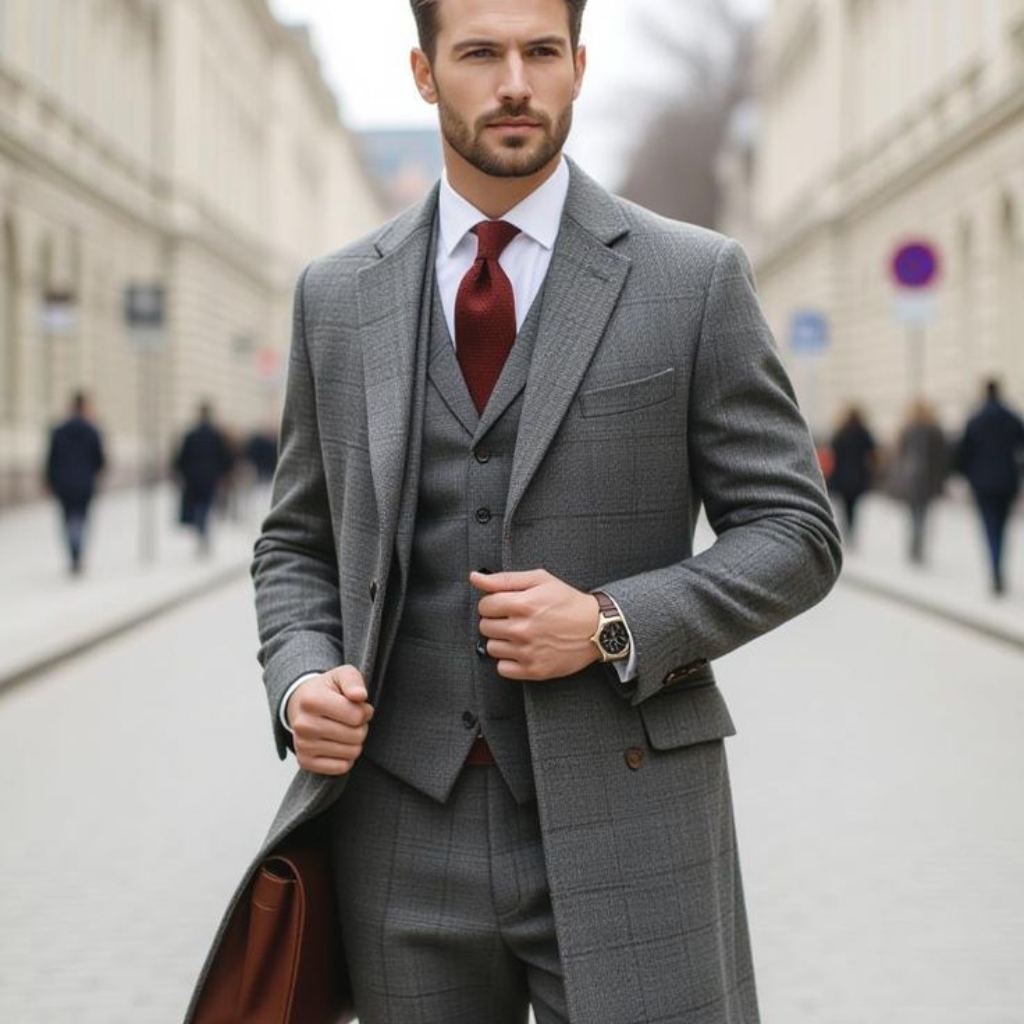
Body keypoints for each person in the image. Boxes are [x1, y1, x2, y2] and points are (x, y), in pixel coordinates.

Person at [189, 1, 842, 1021]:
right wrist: (300, 674)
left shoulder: (690, 277)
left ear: (578, 66)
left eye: (541, 52)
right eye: (480, 53)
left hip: (626, 811)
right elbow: (295, 540)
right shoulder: (337, 296)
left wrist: (611, 621)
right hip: (400, 830)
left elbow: (797, 533)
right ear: (422, 71)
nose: (513, 83)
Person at [955, 379, 1024, 594]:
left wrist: (968, 476)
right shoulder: (1011, 417)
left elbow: (962, 453)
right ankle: (999, 566)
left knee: (989, 528)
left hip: (982, 484)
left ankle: (995, 569)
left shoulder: (975, 419)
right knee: (1002, 528)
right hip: (1007, 482)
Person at [44, 391, 105, 575]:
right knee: (81, 519)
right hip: (85, 483)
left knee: (67, 519)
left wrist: (49, 480)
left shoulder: (58, 430)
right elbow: (100, 460)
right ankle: (77, 553)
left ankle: (73, 553)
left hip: (63, 483)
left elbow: (51, 459)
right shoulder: (92, 430)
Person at [890, 398, 949, 564]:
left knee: (913, 516)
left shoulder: (907, 430)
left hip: (912, 481)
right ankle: (918, 547)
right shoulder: (935, 431)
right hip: (929, 482)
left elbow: (899, 457)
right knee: (922, 515)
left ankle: (914, 547)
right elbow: (942, 460)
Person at [172, 402, 231, 555]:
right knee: (205, 506)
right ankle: (203, 533)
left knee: (198, 506)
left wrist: (181, 473)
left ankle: (201, 533)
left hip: (193, 478)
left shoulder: (191, 434)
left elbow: (181, 457)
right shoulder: (215, 434)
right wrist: (224, 474)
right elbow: (223, 457)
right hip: (210, 478)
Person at [826, 404, 877, 544]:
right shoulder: (864, 433)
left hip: (842, 475)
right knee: (853, 506)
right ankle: (851, 531)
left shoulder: (841, 432)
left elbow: (833, 452)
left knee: (845, 506)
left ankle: (847, 530)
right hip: (858, 475)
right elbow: (872, 453)